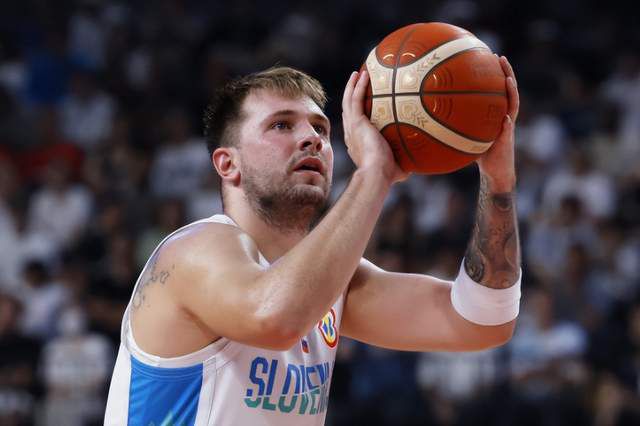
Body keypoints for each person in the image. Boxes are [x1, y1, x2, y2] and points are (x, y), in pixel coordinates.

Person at [105, 58, 522, 425]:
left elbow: (482, 322)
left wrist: (498, 183)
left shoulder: (331, 284)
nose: (312, 138)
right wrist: (375, 175)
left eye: (320, 127)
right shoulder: (193, 250)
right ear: (228, 163)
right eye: (281, 125)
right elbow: (275, 317)